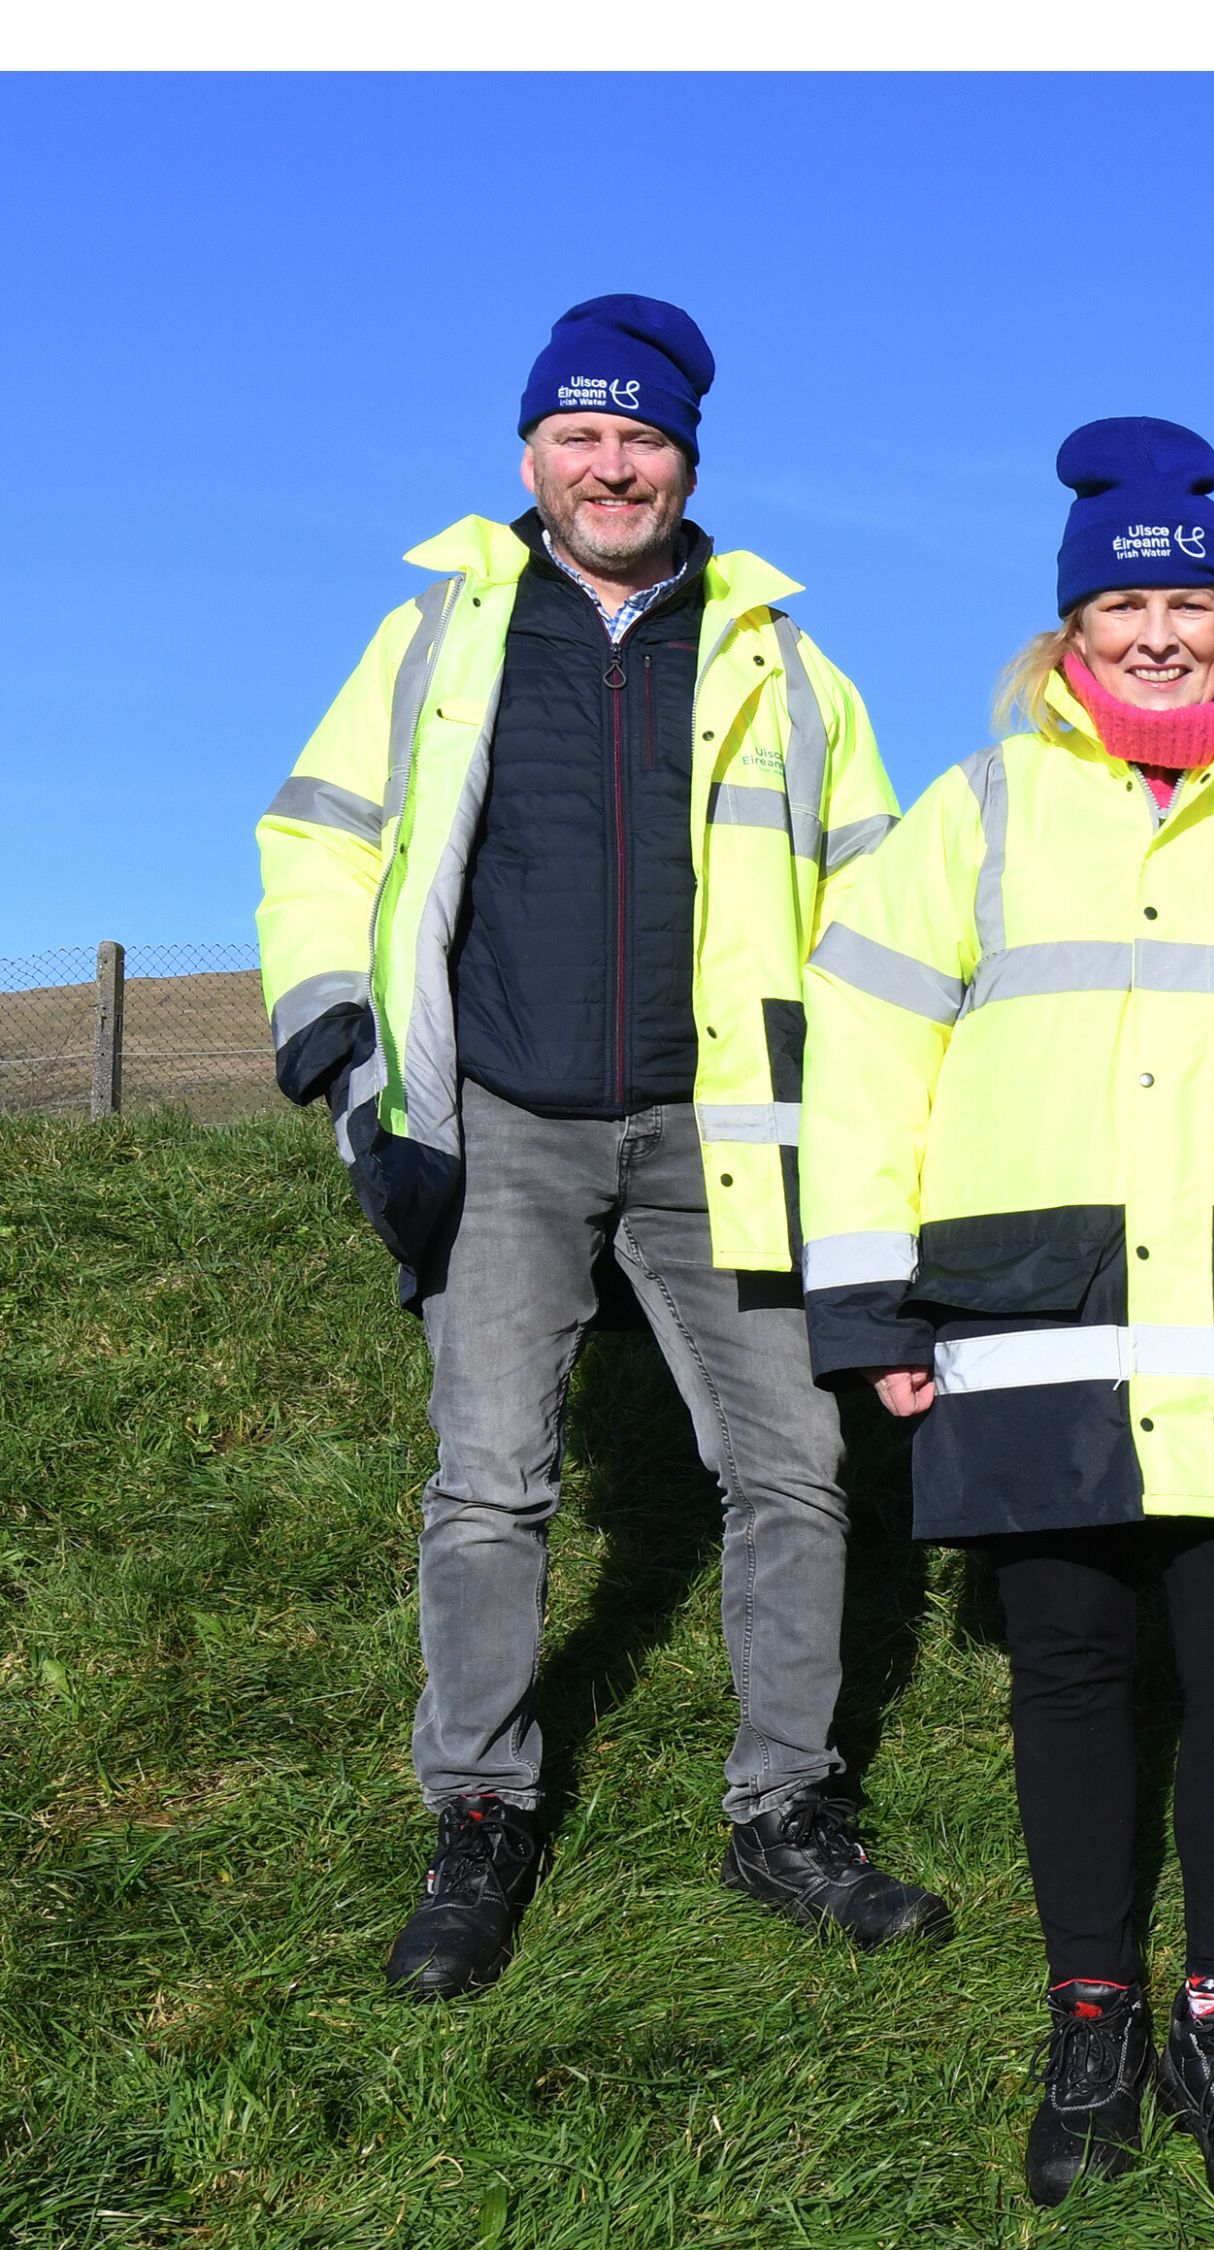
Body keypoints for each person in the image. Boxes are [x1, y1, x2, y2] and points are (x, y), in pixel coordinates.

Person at [253, 293, 943, 2003]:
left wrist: (886, 1132)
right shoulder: (433, 638)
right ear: (529, 456)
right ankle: (480, 1814)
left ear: (686, 461)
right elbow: (318, 839)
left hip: (732, 1132)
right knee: (491, 1484)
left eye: (641, 437)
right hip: (500, 1125)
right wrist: (345, 1052)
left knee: (794, 1471)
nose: (611, 461)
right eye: (581, 433)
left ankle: (784, 1810)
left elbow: (878, 905)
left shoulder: (789, 662)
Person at [798, 418, 1214, 2214]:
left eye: (1193, 600)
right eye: (1127, 600)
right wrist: (867, 1296)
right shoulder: (979, 809)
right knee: (1070, 1678)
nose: (1161, 631)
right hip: (1030, 1328)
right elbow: (861, 1047)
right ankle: (1091, 2016)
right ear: (1071, 628)